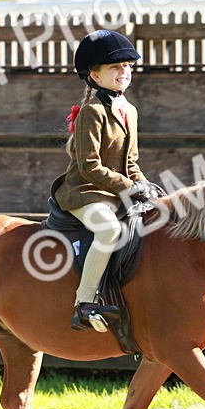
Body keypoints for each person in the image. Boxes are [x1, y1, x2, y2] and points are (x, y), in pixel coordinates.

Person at [51, 29, 163, 333]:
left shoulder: (130, 111)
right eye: (115, 67)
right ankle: (84, 304)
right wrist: (131, 188)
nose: (124, 71)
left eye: (127, 66)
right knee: (110, 229)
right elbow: (89, 167)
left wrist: (148, 189)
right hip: (84, 192)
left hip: (114, 192)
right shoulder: (92, 111)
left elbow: (130, 163)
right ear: (95, 77)